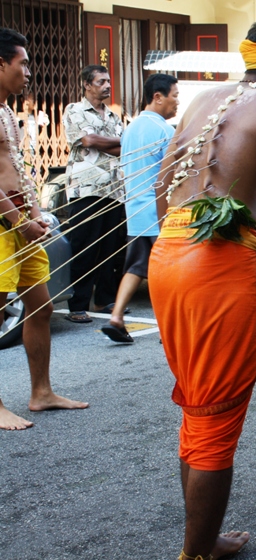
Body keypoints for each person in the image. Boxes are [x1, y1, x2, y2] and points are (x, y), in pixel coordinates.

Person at [150, 17, 256, 559]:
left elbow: (161, 184)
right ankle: (195, 553)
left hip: (167, 254)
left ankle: (203, 540)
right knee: (216, 413)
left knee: (198, 403)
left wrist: (172, 265)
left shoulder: (203, 98)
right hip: (215, 261)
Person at [0, 27, 89, 430]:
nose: (30, 72)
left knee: (42, 305)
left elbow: (15, 172)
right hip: (5, 225)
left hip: (20, 223)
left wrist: (36, 212)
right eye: (23, 63)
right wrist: (19, 219)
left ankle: (41, 393)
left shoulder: (6, 111)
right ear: (1, 63)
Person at [101, 73, 178, 343]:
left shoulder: (130, 128)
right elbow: (173, 174)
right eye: (174, 96)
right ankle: (168, 327)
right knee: (167, 271)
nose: (176, 102)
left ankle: (116, 316)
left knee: (135, 267)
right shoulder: (165, 130)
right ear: (157, 97)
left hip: (134, 209)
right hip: (158, 211)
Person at [62, 64, 124, 323]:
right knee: (84, 248)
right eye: (101, 82)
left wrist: (104, 141)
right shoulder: (74, 110)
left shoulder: (113, 115)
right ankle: (77, 305)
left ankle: (104, 299)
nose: (107, 86)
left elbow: (123, 147)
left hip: (115, 189)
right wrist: (110, 142)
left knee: (113, 248)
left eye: (108, 81)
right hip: (86, 188)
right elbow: (87, 141)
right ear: (87, 85)